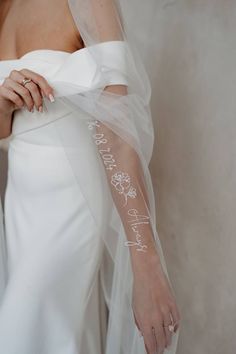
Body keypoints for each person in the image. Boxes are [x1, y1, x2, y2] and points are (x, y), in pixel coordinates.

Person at [0, 0, 181, 353]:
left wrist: (145, 265)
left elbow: (116, 132)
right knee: (59, 330)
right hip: (20, 206)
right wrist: (4, 104)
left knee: (21, 332)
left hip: (73, 198)